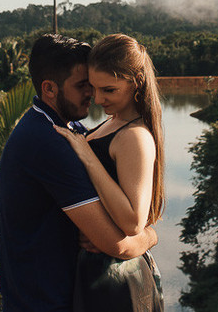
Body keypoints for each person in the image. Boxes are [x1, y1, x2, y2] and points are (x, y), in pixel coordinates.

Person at [0, 33, 159, 312]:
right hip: (44, 303)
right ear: (49, 89)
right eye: (84, 86)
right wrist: (150, 237)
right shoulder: (48, 141)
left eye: (99, 87)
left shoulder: (69, 129)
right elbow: (117, 244)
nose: (94, 96)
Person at [52, 34, 164, 312]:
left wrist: (88, 158)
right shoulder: (113, 123)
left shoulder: (134, 136)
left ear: (136, 81)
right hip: (101, 274)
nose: (98, 98)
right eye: (93, 88)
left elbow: (133, 222)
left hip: (118, 281)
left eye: (109, 90)